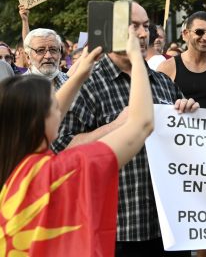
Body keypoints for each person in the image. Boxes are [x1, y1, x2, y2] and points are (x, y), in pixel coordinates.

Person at [52, 1, 199, 257]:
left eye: (146, 26)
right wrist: (115, 127)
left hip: (170, 226)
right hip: (118, 230)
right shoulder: (88, 85)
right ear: (112, 30)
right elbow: (61, 151)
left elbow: (187, 149)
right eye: (134, 26)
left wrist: (188, 116)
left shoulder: (163, 83)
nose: (143, 34)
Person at [0, 25, 154, 255]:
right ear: (42, 119)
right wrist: (137, 58)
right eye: (52, 106)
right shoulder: (65, 170)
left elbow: (41, 116)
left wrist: (82, 72)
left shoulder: (13, 163)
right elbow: (142, 124)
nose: (58, 108)